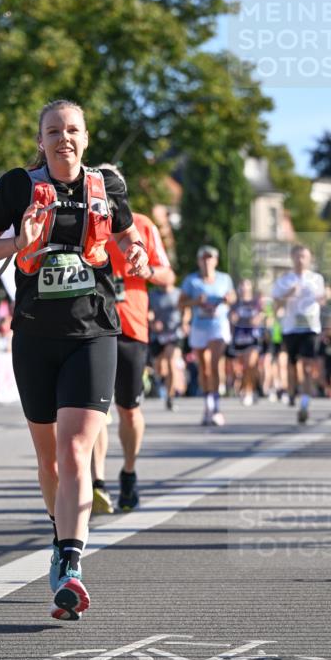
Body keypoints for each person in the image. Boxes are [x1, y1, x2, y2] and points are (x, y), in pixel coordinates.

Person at [0, 99, 149, 620]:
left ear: (85, 138)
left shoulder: (107, 187)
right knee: (48, 460)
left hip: (93, 332)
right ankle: (60, 532)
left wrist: (133, 252)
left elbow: (125, 235)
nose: (63, 138)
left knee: (74, 454)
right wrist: (11, 243)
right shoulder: (17, 187)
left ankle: (70, 565)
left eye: (72, 130)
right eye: (53, 131)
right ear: (40, 140)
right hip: (33, 337)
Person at [91, 200, 175, 514]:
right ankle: (97, 481)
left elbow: (168, 275)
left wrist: (147, 270)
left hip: (131, 328)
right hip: (93, 326)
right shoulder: (83, 219)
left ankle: (128, 473)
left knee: (128, 410)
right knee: (94, 409)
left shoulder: (142, 225)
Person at [179, 245, 236, 426]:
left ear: (216, 261)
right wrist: (196, 301)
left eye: (210, 258)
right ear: (199, 261)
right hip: (199, 326)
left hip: (218, 326)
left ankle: (217, 407)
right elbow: (181, 304)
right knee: (203, 368)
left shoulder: (224, 279)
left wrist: (228, 299)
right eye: (203, 258)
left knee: (215, 364)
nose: (207, 261)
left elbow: (233, 296)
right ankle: (207, 405)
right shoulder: (191, 281)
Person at [271, 244, 326, 423]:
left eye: (304, 257)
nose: (300, 260)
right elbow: (275, 306)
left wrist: (324, 297)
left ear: (309, 259)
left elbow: (324, 298)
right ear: (292, 258)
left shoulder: (316, 279)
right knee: (293, 366)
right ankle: (293, 390)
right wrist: (288, 294)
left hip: (310, 327)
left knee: (308, 365)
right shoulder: (284, 280)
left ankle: (305, 402)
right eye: (297, 256)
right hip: (290, 327)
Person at [149, 281, 187, 411]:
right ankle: (165, 384)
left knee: (171, 362)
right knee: (160, 369)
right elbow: (148, 312)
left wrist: (185, 323)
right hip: (158, 335)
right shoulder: (152, 294)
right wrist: (153, 322)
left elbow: (186, 310)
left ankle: (170, 397)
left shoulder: (179, 293)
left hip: (174, 333)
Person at [228, 278, 263, 406]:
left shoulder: (256, 303)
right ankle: (251, 389)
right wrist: (232, 320)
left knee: (250, 364)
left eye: (246, 285)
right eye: (241, 285)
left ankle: (248, 391)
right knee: (242, 368)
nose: (244, 288)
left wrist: (258, 319)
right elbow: (231, 320)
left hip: (252, 338)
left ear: (250, 288)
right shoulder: (235, 304)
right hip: (239, 338)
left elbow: (262, 316)